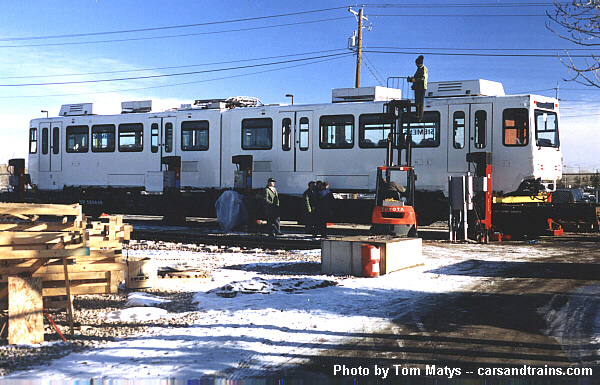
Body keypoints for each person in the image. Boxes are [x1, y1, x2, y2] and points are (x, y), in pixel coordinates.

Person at [407, 55, 428, 121]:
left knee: (420, 102)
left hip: (421, 87)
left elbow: (422, 79)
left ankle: (419, 116)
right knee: (417, 102)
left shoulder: (424, 69)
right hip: (417, 87)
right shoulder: (419, 69)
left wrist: (413, 80)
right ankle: (417, 114)